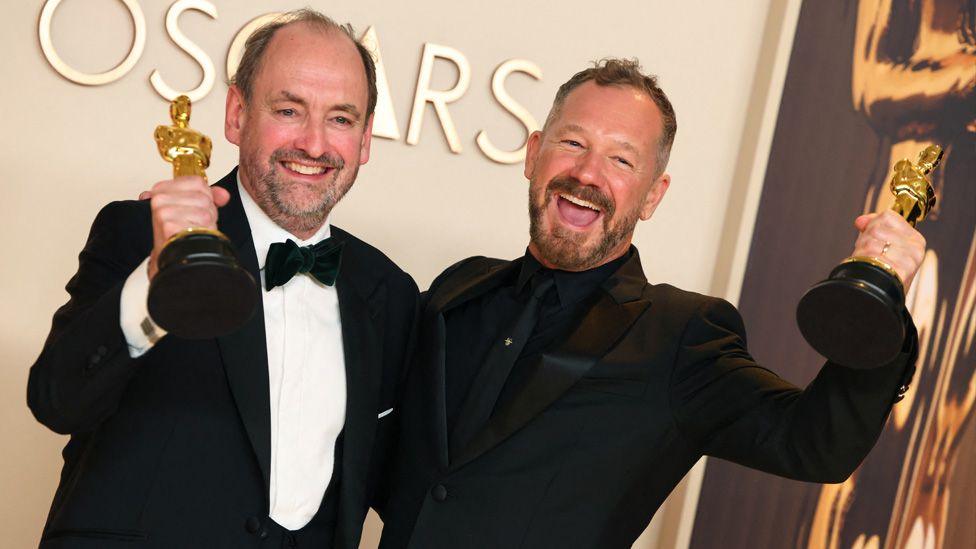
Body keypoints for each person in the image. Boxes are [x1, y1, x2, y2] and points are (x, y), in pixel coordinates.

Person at [377, 59, 926, 549]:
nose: (587, 175)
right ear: (532, 154)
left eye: (621, 160)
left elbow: (816, 444)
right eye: (572, 144)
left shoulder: (681, 335)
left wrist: (875, 308)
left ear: (653, 195)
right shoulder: (458, 290)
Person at [27, 9, 417, 549]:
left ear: (366, 139)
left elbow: (403, 481)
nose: (313, 143)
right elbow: (57, 400)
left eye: (341, 119)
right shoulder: (140, 235)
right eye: (288, 109)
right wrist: (160, 275)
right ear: (237, 114)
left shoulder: (390, 293)